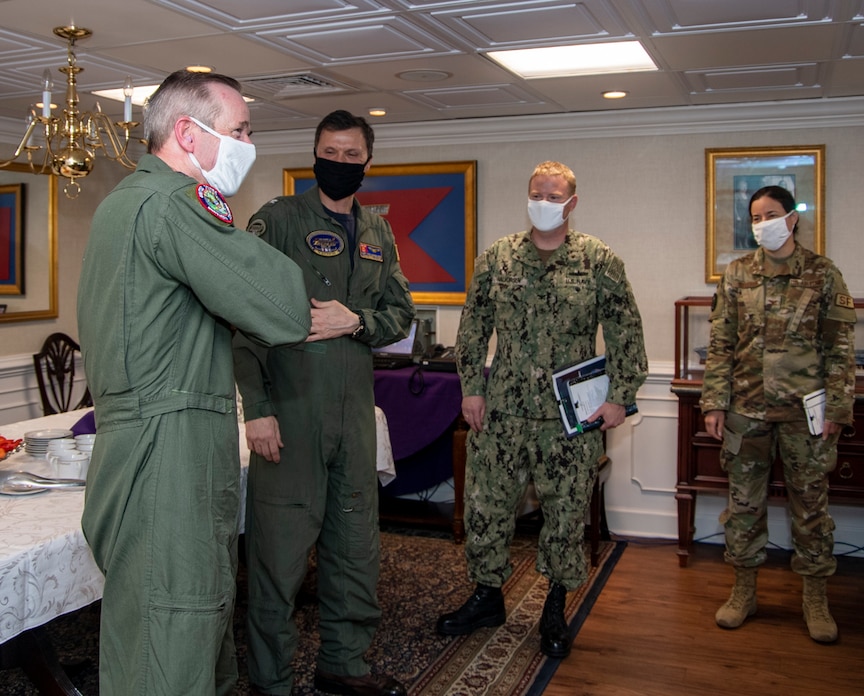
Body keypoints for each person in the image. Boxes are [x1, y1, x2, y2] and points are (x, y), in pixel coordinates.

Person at [76, 70, 313, 695]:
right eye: (239, 131)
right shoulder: (172, 204)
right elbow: (285, 308)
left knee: (164, 635)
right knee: (170, 646)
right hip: (167, 454)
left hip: (148, 443)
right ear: (187, 132)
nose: (248, 145)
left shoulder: (125, 202)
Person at [232, 110, 413, 696]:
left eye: (350, 155)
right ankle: (270, 678)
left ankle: (344, 663)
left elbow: (400, 316)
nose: (339, 163)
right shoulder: (279, 221)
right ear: (314, 155)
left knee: (354, 547)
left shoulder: (377, 232)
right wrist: (256, 407)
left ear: (367, 162)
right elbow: (241, 319)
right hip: (291, 413)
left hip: (354, 416)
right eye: (328, 153)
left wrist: (355, 320)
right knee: (279, 557)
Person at [436, 160, 647, 659]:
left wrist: (620, 397)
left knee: (565, 515)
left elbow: (626, 331)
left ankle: (555, 605)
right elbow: (472, 327)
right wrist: (471, 388)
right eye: (537, 194)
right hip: (503, 411)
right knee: (485, 509)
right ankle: (487, 595)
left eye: (555, 197)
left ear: (572, 203)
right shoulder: (498, 258)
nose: (544, 203)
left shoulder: (599, 260)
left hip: (569, 420)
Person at [700, 184, 856, 644]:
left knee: (810, 510)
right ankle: (744, 592)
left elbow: (841, 351)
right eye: (754, 216)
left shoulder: (823, 274)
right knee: (744, 508)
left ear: (791, 219)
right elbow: (721, 344)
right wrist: (714, 402)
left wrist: (840, 410)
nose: (761, 223)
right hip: (746, 412)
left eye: (770, 214)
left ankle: (815, 599)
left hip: (805, 415)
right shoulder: (736, 275)